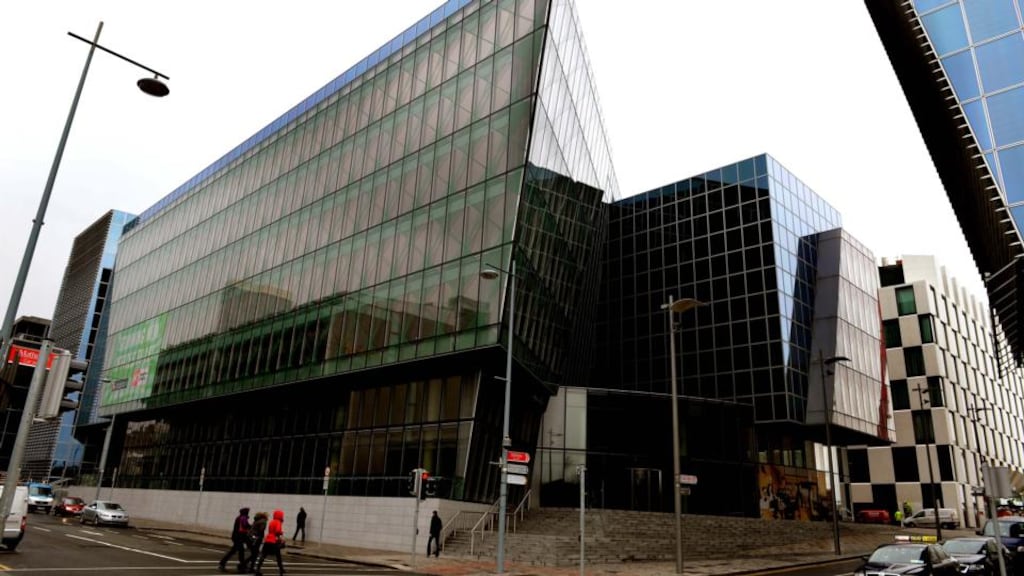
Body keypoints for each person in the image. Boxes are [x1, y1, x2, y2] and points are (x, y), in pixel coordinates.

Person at [219, 507, 251, 573]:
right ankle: (241, 566)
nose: (248, 513)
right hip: (238, 537)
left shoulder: (240, 517)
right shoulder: (243, 518)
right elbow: (245, 526)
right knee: (239, 551)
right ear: (245, 512)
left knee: (236, 551)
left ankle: (223, 563)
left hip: (237, 537)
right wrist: (251, 527)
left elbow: (244, 526)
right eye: (248, 512)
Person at [255, 509, 285, 576]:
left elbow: (270, 530)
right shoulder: (278, 522)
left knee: (263, 555)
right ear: (280, 516)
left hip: (267, 539)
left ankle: (257, 569)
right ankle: (281, 570)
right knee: (278, 556)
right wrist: (281, 533)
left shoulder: (272, 521)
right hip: (274, 540)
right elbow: (277, 531)